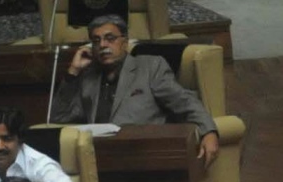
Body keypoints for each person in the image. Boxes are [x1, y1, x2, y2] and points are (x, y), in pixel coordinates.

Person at [48, 14, 218, 166]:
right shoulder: (89, 77)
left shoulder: (149, 67)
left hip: (144, 154)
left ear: (125, 42)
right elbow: (59, 117)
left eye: (110, 38)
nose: (103, 45)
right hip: (100, 157)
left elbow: (184, 102)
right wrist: (73, 72)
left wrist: (208, 131)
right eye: (96, 40)